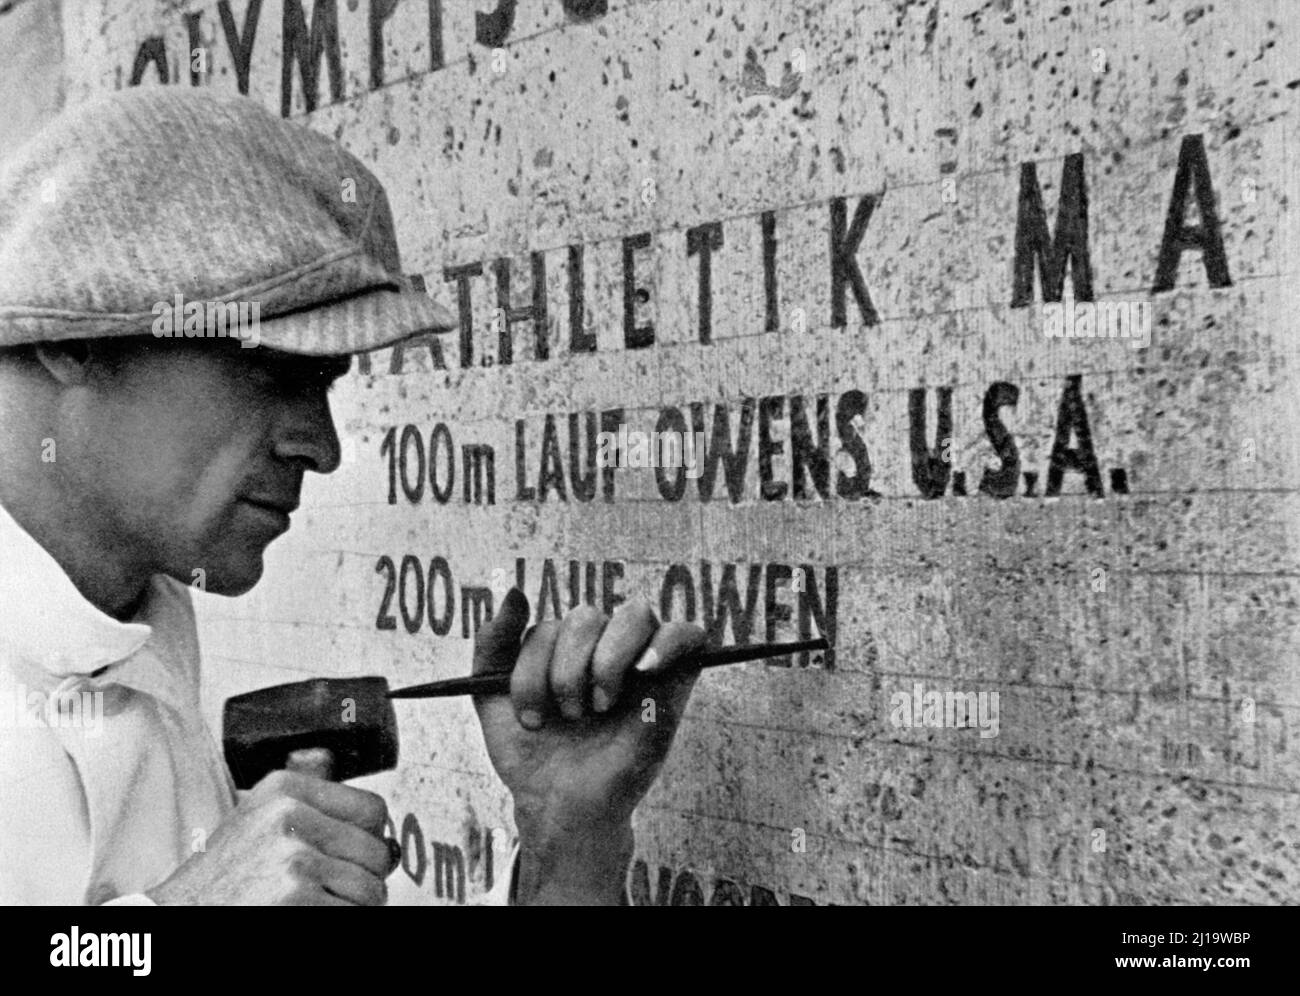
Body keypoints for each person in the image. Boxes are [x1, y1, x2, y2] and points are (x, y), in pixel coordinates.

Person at [0, 86, 705, 906]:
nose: (322, 448)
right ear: (68, 339)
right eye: (270, 369)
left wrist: (566, 836)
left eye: (326, 381)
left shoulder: (138, 635)